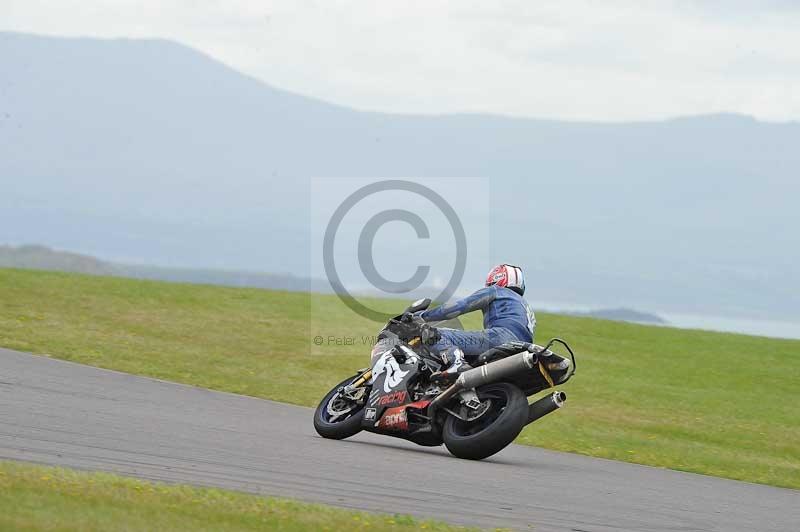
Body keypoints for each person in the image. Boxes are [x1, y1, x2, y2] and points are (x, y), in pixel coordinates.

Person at [420, 264, 536, 377]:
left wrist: (423, 316)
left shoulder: (496, 290)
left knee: (434, 334)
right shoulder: (524, 304)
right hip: (524, 349)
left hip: (500, 338)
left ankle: (457, 363)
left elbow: (458, 307)